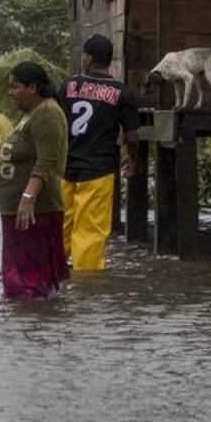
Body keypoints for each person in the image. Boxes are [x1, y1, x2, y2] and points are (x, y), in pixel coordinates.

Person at [60, 33, 140, 271]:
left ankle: (52, 280)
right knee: (89, 233)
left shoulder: (69, 85)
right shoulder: (121, 92)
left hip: (65, 167)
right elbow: (131, 136)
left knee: (60, 226)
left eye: (83, 55)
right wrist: (132, 158)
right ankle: (87, 290)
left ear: (89, 58)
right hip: (98, 170)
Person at [0, 61, 70, 300]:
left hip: (36, 211)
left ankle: (33, 328)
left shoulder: (47, 114)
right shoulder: (32, 114)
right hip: (20, 212)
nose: (10, 92)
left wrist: (28, 198)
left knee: (30, 283)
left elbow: (47, 161)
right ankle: (33, 323)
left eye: (15, 87)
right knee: (23, 279)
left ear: (33, 87)